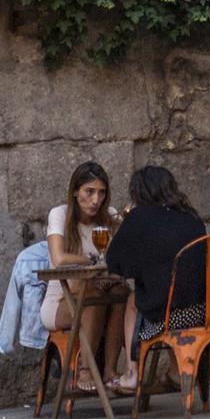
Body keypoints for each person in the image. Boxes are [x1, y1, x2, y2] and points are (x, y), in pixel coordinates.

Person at [104, 165, 205, 394]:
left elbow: (115, 262)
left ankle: (132, 374)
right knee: (169, 294)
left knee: (133, 300)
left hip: (169, 317)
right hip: (205, 312)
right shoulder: (192, 217)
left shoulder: (139, 217)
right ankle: (175, 372)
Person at [39, 161, 126, 393]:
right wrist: (92, 262)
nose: (95, 200)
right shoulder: (61, 214)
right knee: (94, 295)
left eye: (101, 193)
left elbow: (118, 255)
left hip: (97, 292)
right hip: (61, 303)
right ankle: (85, 370)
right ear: (76, 191)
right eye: (89, 192)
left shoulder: (109, 216)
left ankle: (110, 370)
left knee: (120, 293)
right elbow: (58, 258)